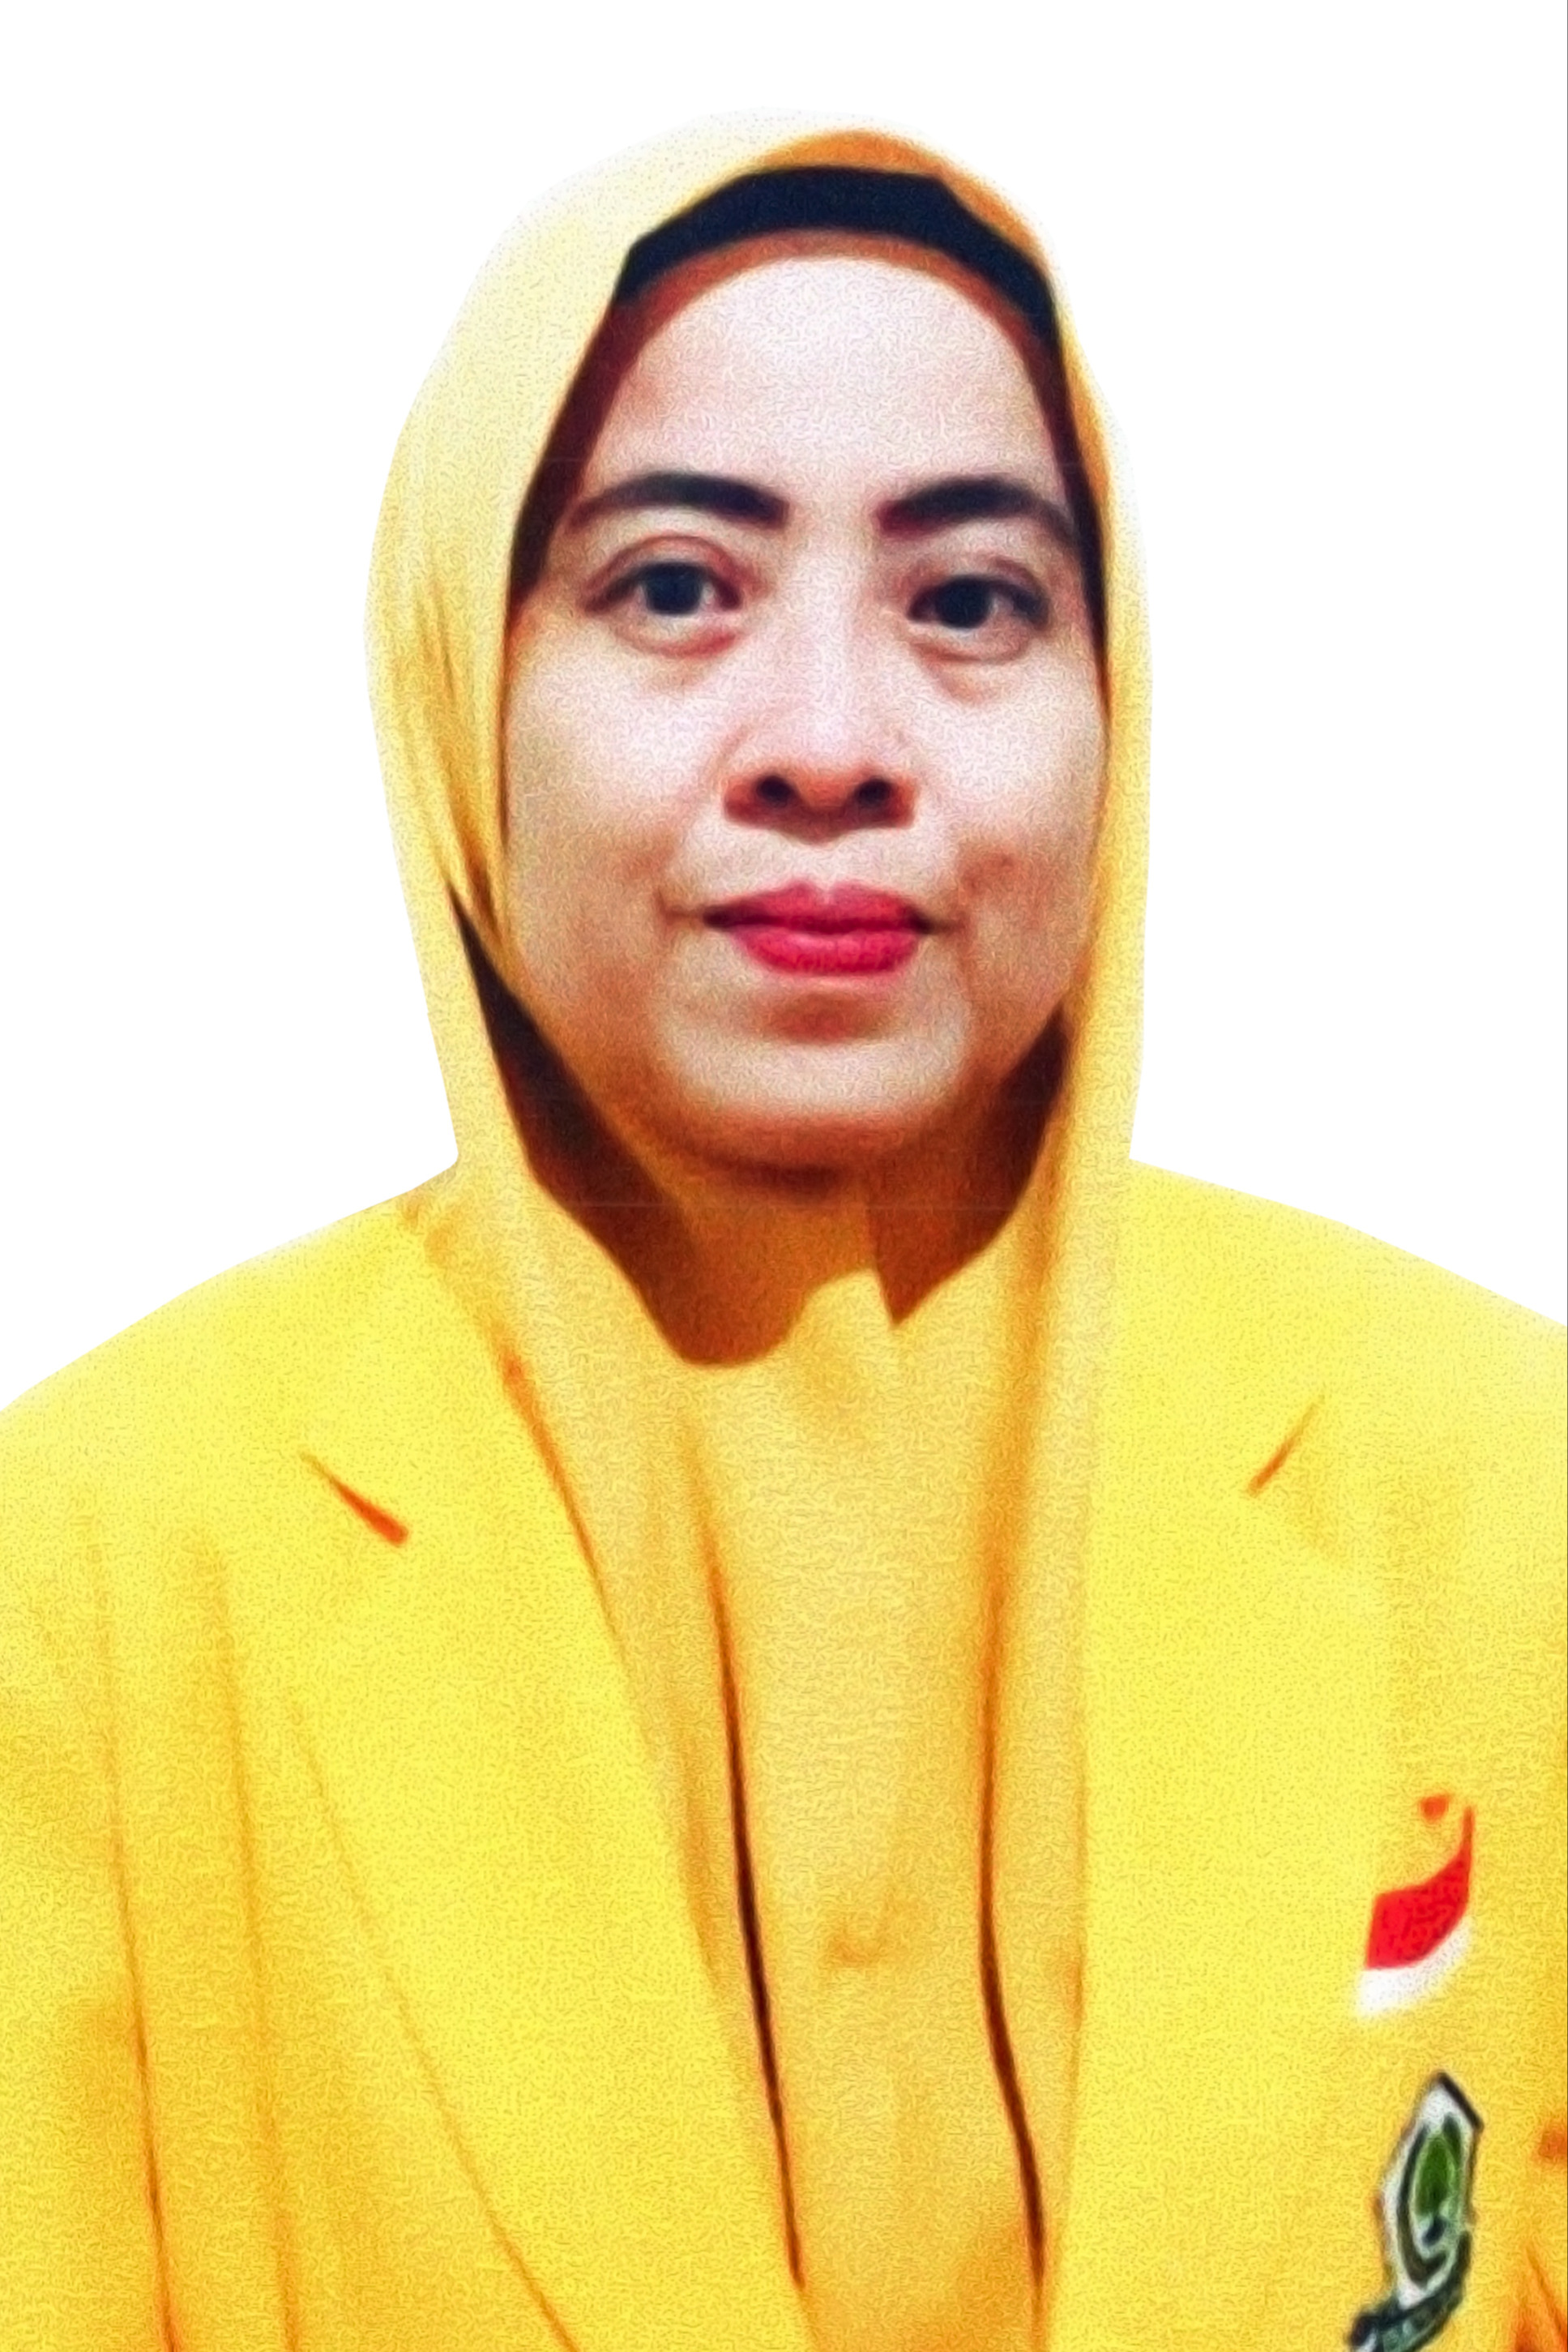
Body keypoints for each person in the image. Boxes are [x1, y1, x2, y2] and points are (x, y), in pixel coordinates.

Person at [0, 120, 1561, 2352]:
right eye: (673, 588)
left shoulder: (1504, 1487)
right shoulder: (86, 1576)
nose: (830, 746)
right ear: (460, 684)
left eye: (970, 602)